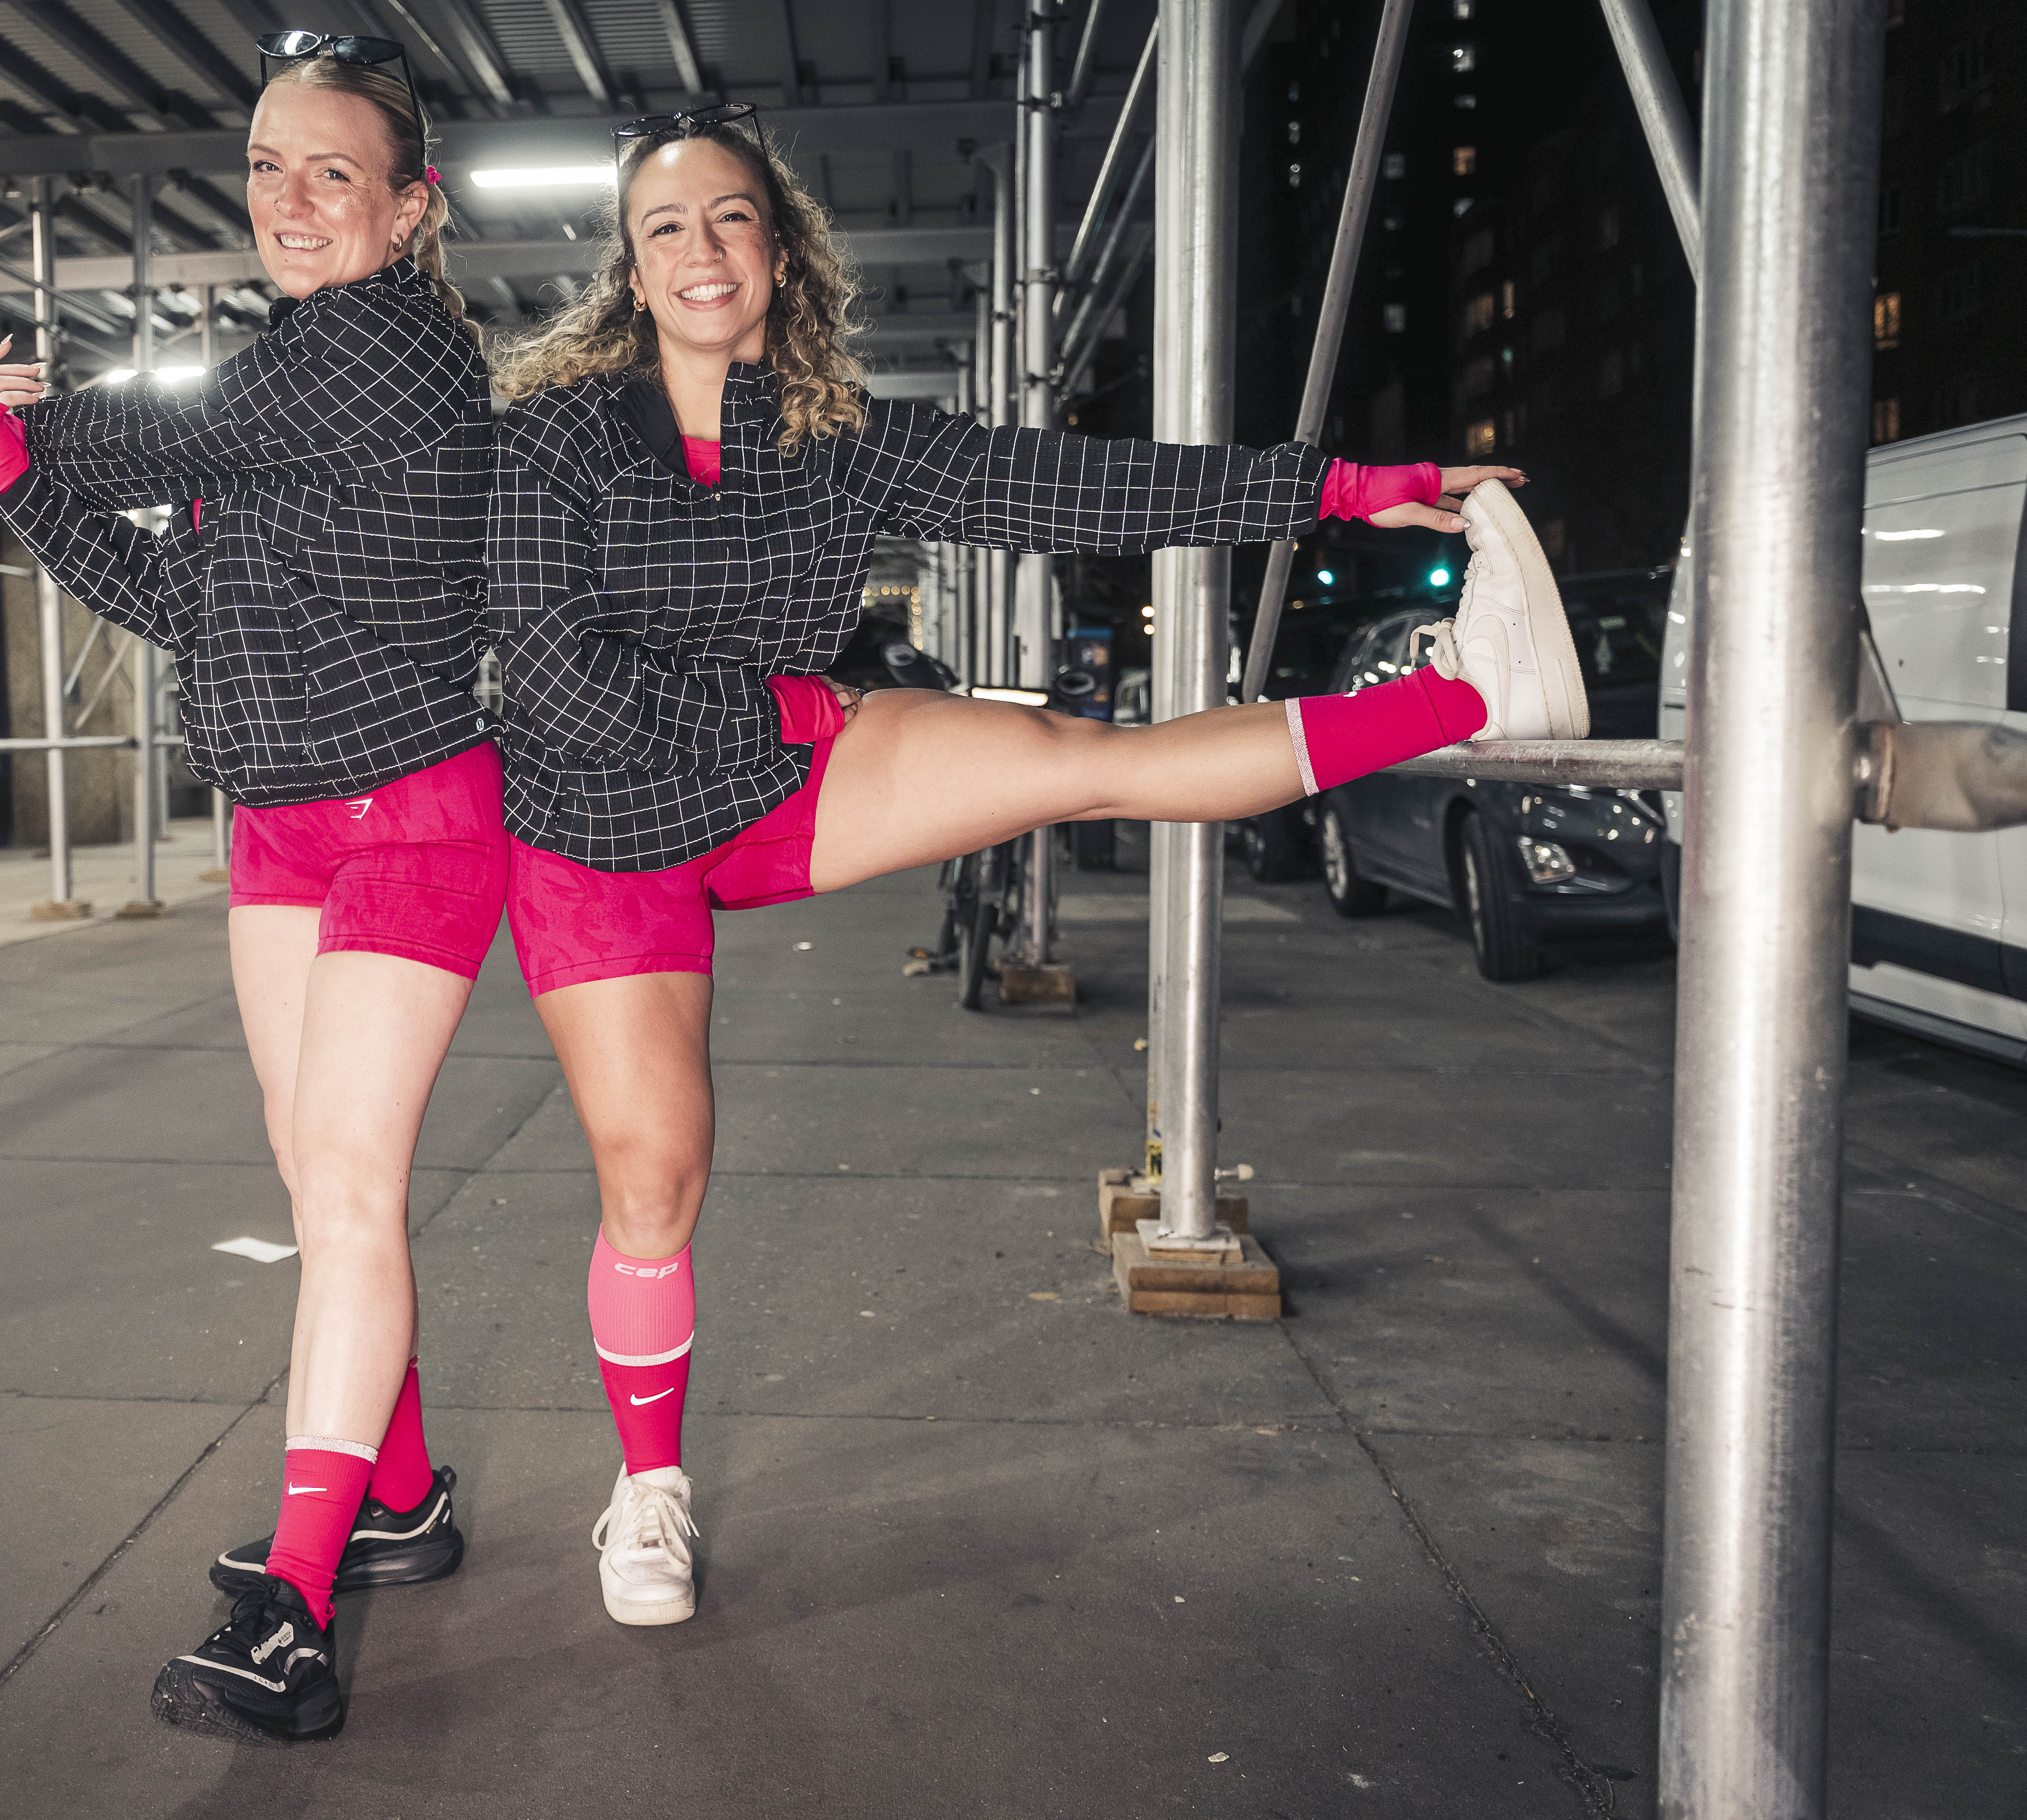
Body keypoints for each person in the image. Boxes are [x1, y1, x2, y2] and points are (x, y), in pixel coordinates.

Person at [484, 104, 1586, 1629]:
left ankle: (1469, 692)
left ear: (781, 250)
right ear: (629, 265)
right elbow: (547, 675)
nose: (700, 250)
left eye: (730, 217)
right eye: (665, 226)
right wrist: (790, 706)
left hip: (775, 783)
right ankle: (649, 1486)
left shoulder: (842, 444)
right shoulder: (550, 439)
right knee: (656, 1175)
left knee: (1078, 755)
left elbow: (1083, 489)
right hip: (599, 826)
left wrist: (1337, 491)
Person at [0, 35, 496, 1745]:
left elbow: (145, 445)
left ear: (412, 204)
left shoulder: (390, 361)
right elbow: (178, 597)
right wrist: (20, 484)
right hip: (279, 827)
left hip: (413, 816)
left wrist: (25, 431)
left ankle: (299, 1604)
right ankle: (398, 1500)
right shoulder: (293, 369)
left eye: (335, 172)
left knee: (346, 1186)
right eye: (266, 168)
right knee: (316, 1182)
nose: (293, 202)